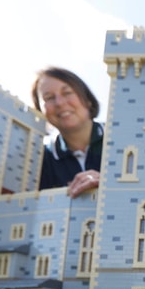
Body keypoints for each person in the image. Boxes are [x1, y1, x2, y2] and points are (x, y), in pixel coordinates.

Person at [31, 67, 103, 197]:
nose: (59, 103)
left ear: (88, 99)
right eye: (49, 98)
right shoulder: (38, 160)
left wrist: (109, 184)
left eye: (67, 93)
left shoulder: (124, 139)